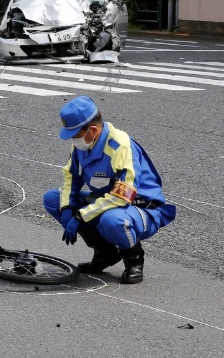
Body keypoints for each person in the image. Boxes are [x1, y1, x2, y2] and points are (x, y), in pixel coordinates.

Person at [42, 96, 176, 284]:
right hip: (106, 201)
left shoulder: (120, 145)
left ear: (93, 130)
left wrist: (80, 216)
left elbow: (121, 196)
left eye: (75, 135)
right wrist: (67, 209)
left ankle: (134, 260)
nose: (73, 140)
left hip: (140, 209)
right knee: (52, 199)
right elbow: (70, 178)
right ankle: (105, 253)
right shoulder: (83, 144)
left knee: (112, 220)